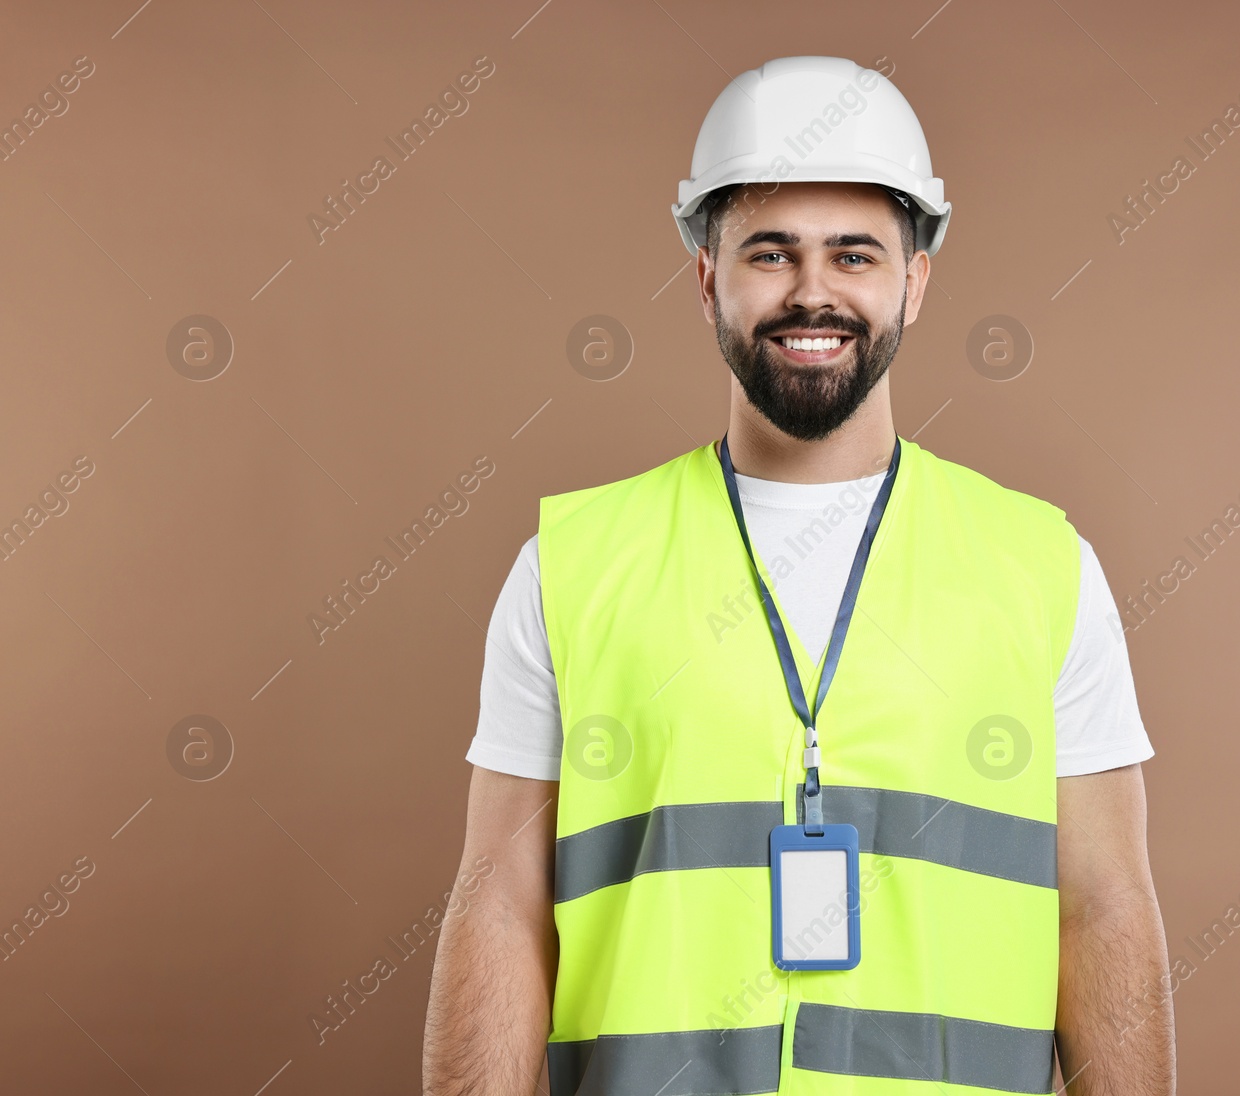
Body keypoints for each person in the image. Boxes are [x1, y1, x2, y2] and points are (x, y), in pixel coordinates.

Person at [424, 56, 1176, 1096]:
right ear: (706, 279)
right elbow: (499, 900)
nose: (812, 290)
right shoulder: (570, 566)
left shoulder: (1042, 567)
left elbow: (1103, 908)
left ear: (914, 278)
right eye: (769, 253)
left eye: (854, 253)